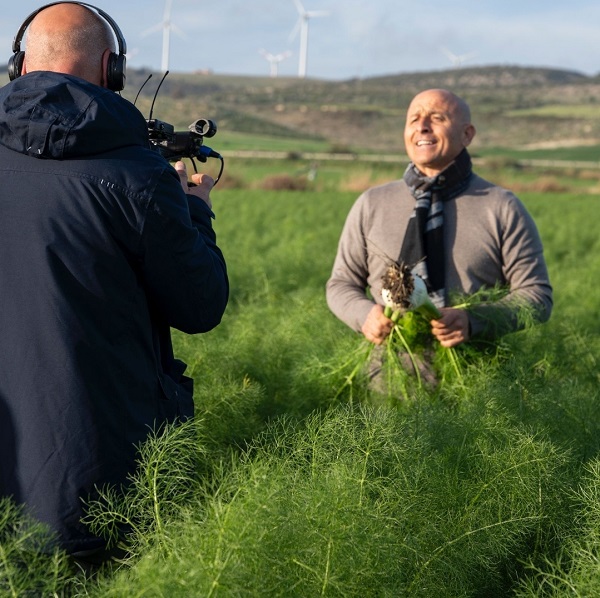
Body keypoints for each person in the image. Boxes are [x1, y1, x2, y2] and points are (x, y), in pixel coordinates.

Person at [0, 2, 228, 564]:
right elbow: (199, 304)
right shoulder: (137, 174)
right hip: (99, 476)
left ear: (19, 66)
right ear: (112, 69)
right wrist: (193, 210)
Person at [326, 88, 552, 362]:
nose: (422, 127)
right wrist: (364, 315)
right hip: (387, 386)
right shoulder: (372, 203)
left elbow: (537, 296)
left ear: (467, 134)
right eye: (414, 119)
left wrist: (474, 321)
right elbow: (340, 284)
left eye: (437, 118)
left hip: (480, 389)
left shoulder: (502, 207)